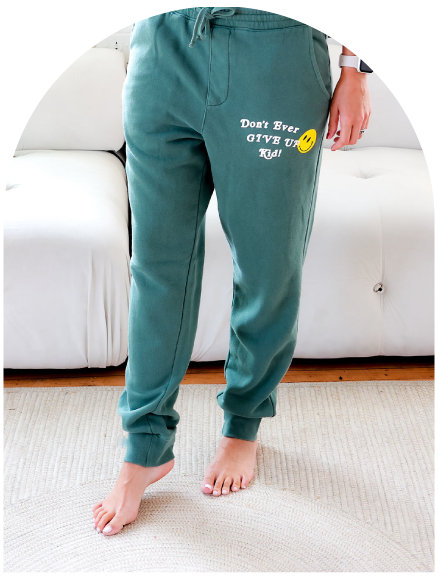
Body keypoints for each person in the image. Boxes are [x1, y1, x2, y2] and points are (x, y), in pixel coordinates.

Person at [92, 8, 371, 536]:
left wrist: (354, 70)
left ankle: (244, 422)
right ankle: (143, 447)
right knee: (157, 267)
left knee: (268, 264)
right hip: (163, 47)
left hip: (276, 56)